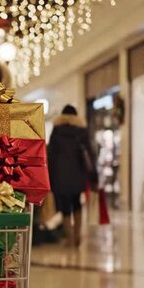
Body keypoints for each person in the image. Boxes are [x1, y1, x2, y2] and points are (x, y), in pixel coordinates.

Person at [48, 105, 98, 247]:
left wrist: (50, 176)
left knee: (64, 207)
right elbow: (90, 153)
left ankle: (69, 238)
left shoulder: (57, 130)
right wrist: (93, 175)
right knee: (77, 204)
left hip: (60, 174)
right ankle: (77, 236)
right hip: (78, 173)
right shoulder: (81, 130)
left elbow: (51, 154)